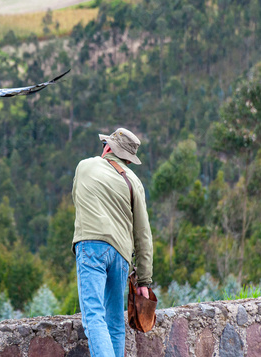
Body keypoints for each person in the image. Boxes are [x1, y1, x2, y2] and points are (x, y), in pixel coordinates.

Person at [72, 128, 153, 357]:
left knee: (94, 317)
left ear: (107, 148)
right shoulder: (134, 182)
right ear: (128, 159)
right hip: (121, 255)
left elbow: (77, 199)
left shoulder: (85, 166)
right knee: (116, 323)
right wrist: (144, 280)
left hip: (92, 246)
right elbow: (143, 234)